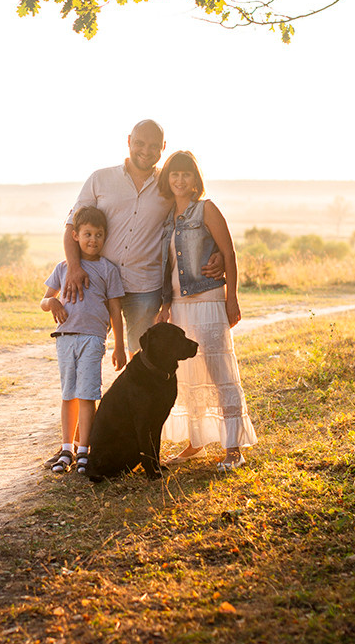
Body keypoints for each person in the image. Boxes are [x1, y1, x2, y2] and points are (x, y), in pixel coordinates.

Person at [64, 120, 222, 353]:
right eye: (139, 143)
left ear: (163, 147)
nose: (146, 151)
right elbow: (71, 227)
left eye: (153, 145)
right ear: (129, 141)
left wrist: (218, 253)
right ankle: (87, 391)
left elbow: (195, 217)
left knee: (141, 356)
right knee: (87, 347)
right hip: (98, 281)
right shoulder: (100, 179)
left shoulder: (169, 184)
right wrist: (74, 267)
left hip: (146, 287)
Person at [154, 150, 257, 472]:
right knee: (188, 376)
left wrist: (232, 298)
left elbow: (229, 253)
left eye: (186, 174)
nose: (180, 180)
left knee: (220, 374)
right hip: (180, 306)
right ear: (167, 179)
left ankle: (233, 448)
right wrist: (165, 306)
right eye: (174, 174)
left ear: (195, 179)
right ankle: (195, 444)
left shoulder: (206, 209)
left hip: (210, 301)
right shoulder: (166, 218)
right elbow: (168, 265)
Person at [41, 206, 127, 475]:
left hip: (93, 338)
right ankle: (66, 448)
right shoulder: (63, 267)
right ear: (75, 235)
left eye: (99, 235)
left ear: (105, 238)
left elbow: (115, 310)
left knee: (88, 394)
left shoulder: (107, 269)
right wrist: (53, 301)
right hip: (65, 338)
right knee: (69, 395)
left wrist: (120, 346)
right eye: (88, 234)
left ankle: (83, 451)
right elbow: (44, 300)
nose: (93, 240)